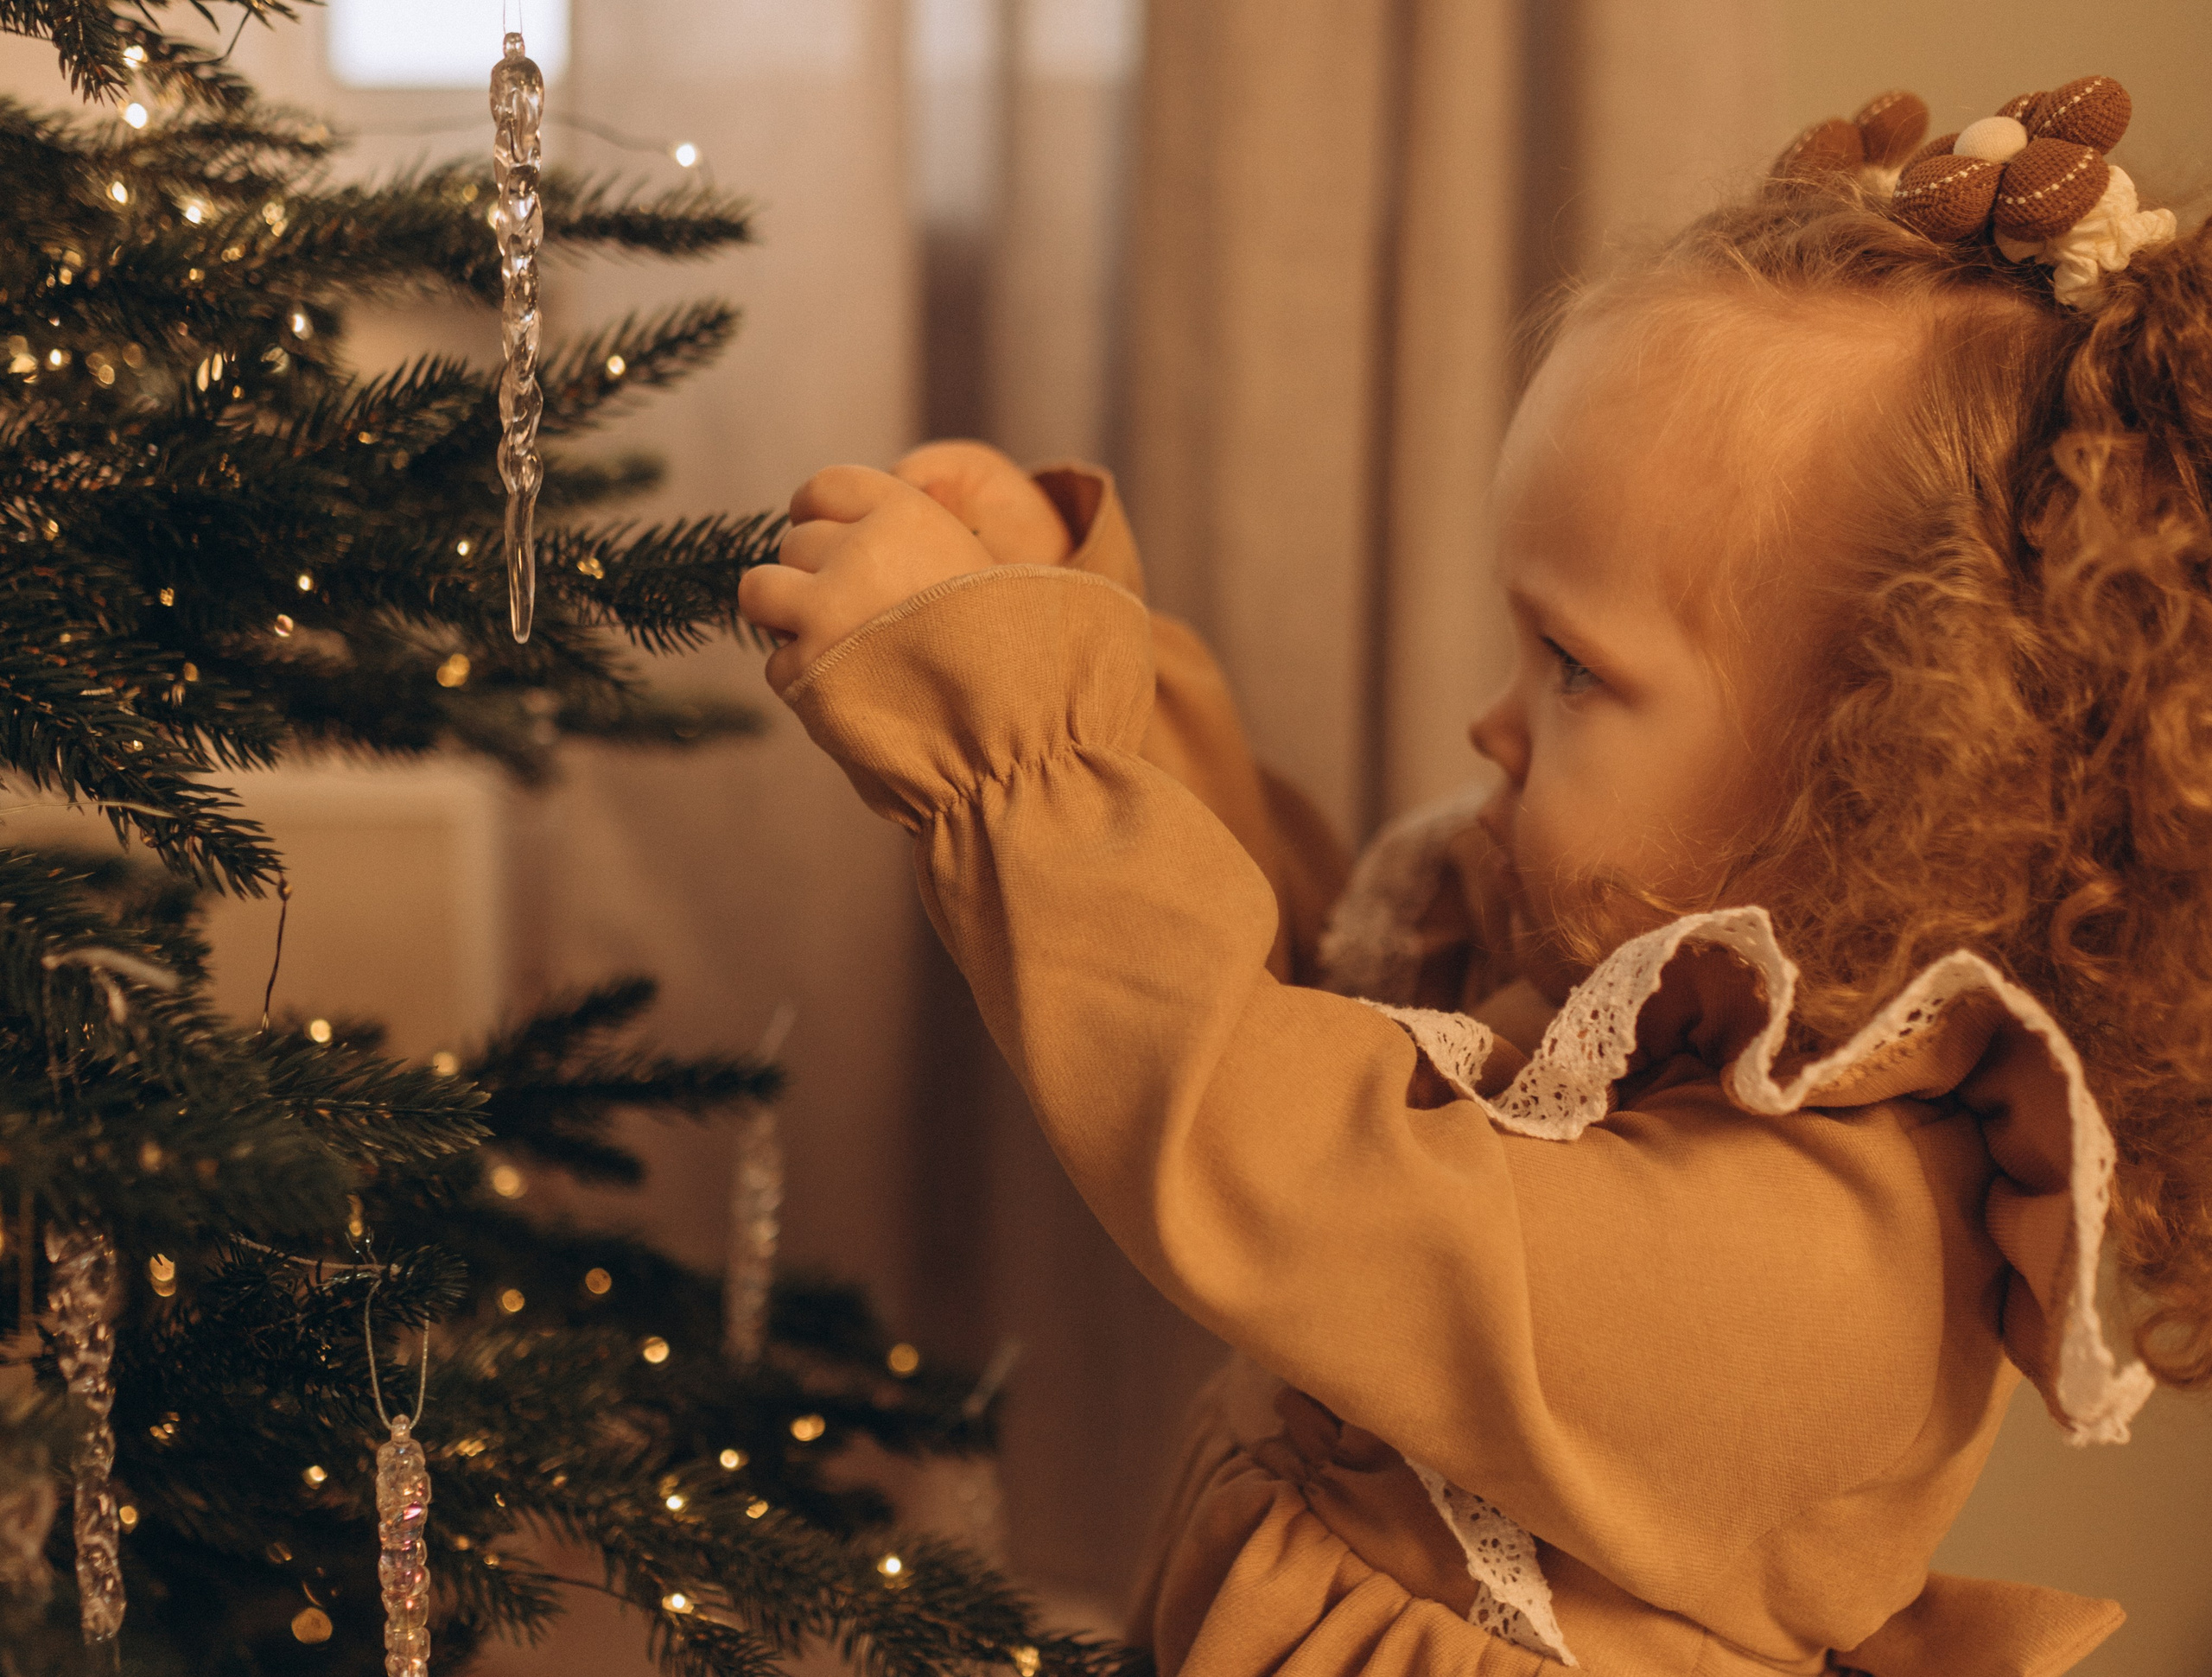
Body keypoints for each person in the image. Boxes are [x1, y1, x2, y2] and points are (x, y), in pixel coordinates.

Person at [739, 77, 2210, 1677]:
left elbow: (1289, 1157)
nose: (1491, 721)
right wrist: (1060, 645)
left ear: (1900, 776)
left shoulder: (1821, 1274)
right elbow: (1313, 996)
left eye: (1572, 666)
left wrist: (1010, 753)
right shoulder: (1626, 983)